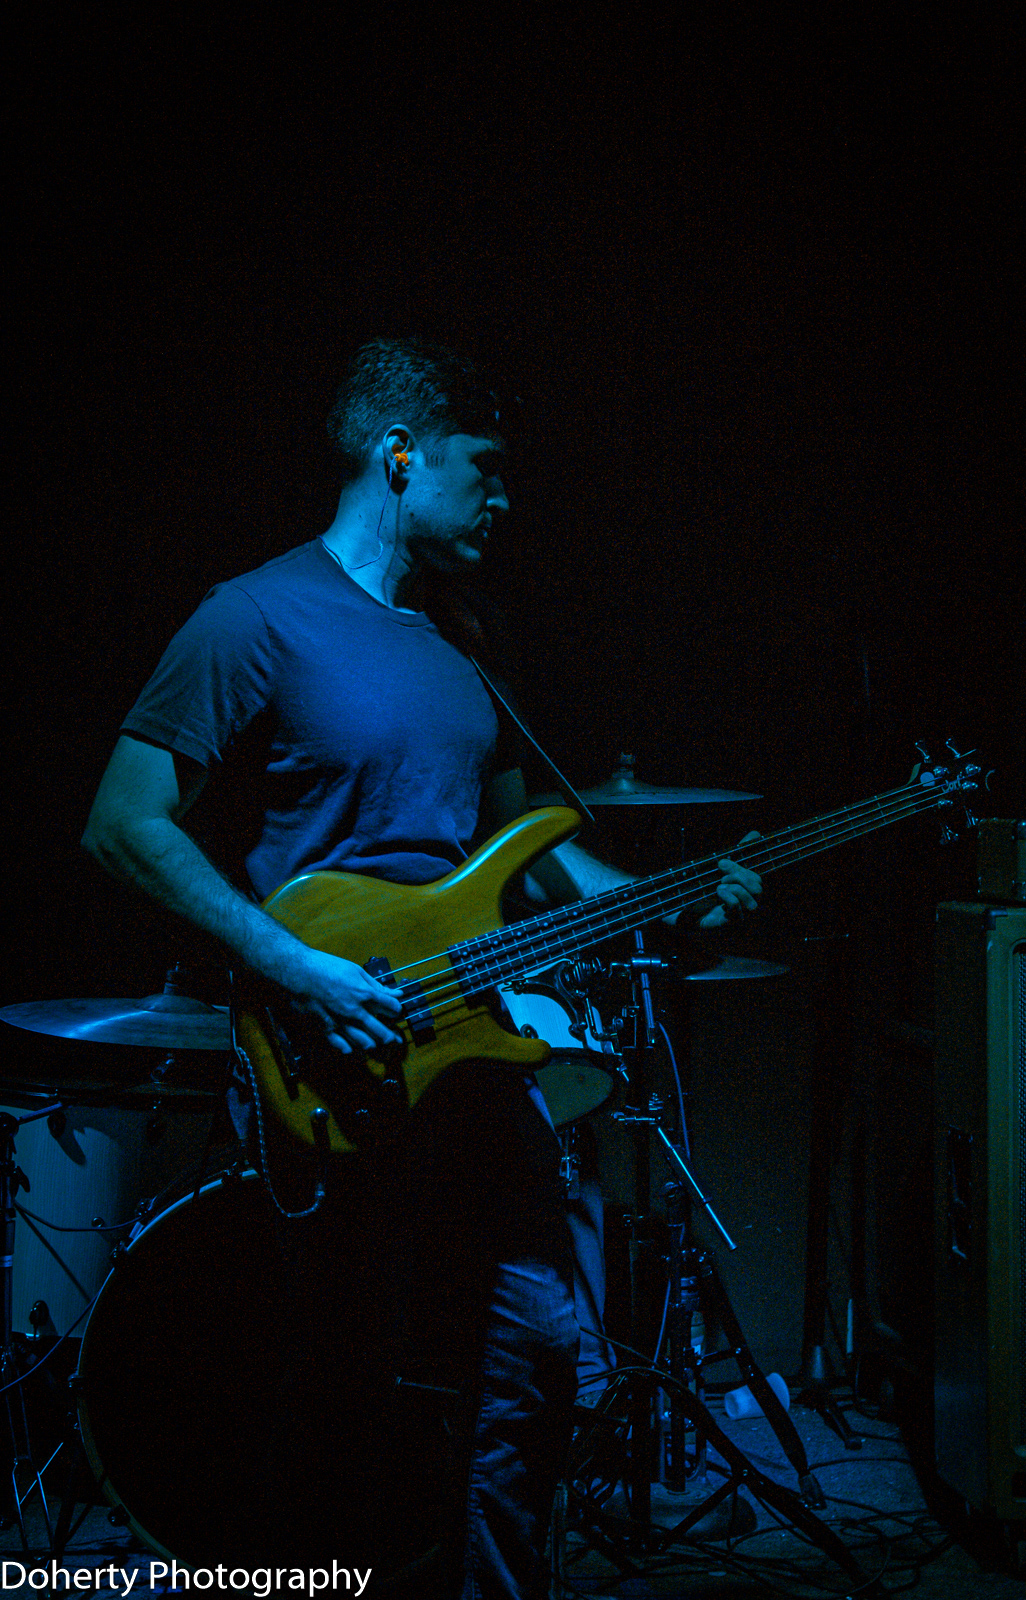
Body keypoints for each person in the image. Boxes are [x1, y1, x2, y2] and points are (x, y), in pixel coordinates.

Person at [82, 337, 762, 1597]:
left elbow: (532, 863)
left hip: (471, 1059)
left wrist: (667, 903)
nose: (505, 497)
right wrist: (295, 970)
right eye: (483, 467)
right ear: (400, 455)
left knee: (536, 1360)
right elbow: (124, 823)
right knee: (338, 1383)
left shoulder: (461, 645)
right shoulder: (254, 615)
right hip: (330, 1057)